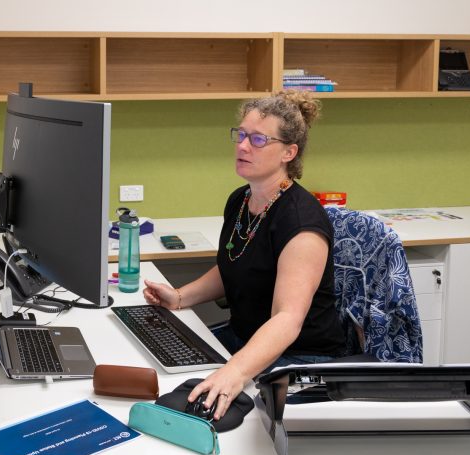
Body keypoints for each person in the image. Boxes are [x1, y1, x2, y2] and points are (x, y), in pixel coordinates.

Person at [143, 90, 345, 420]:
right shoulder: (241, 200)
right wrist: (179, 297)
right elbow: (233, 267)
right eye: (240, 135)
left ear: (288, 152)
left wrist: (235, 372)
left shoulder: (301, 222)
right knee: (165, 377)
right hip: (245, 339)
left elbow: (287, 319)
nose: (242, 146)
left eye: (258, 140)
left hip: (299, 358)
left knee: (221, 415)